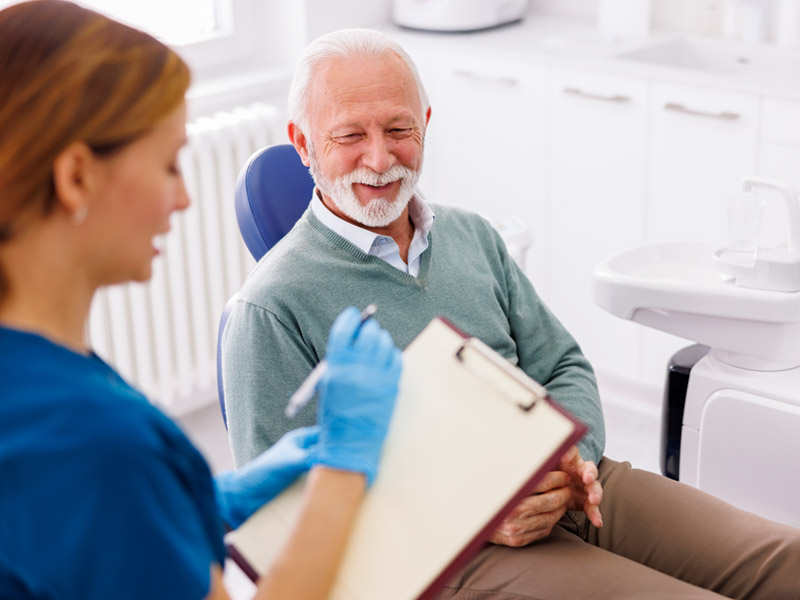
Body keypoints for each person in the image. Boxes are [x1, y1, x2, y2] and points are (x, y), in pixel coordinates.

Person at [221, 27, 800, 599]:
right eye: (350, 135)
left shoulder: (471, 236)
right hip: (453, 555)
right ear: (302, 143)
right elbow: (288, 525)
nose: (379, 157)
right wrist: (473, 510)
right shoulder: (270, 309)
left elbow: (565, 365)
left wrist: (574, 463)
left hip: (567, 487)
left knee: (789, 561)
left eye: (399, 129)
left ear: (425, 124)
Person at [0, 3, 402, 599]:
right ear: (77, 177)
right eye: (168, 165)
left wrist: (198, 502)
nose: (184, 198)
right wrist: (344, 466)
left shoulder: (36, 377)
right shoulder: (97, 446)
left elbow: (62, 538)